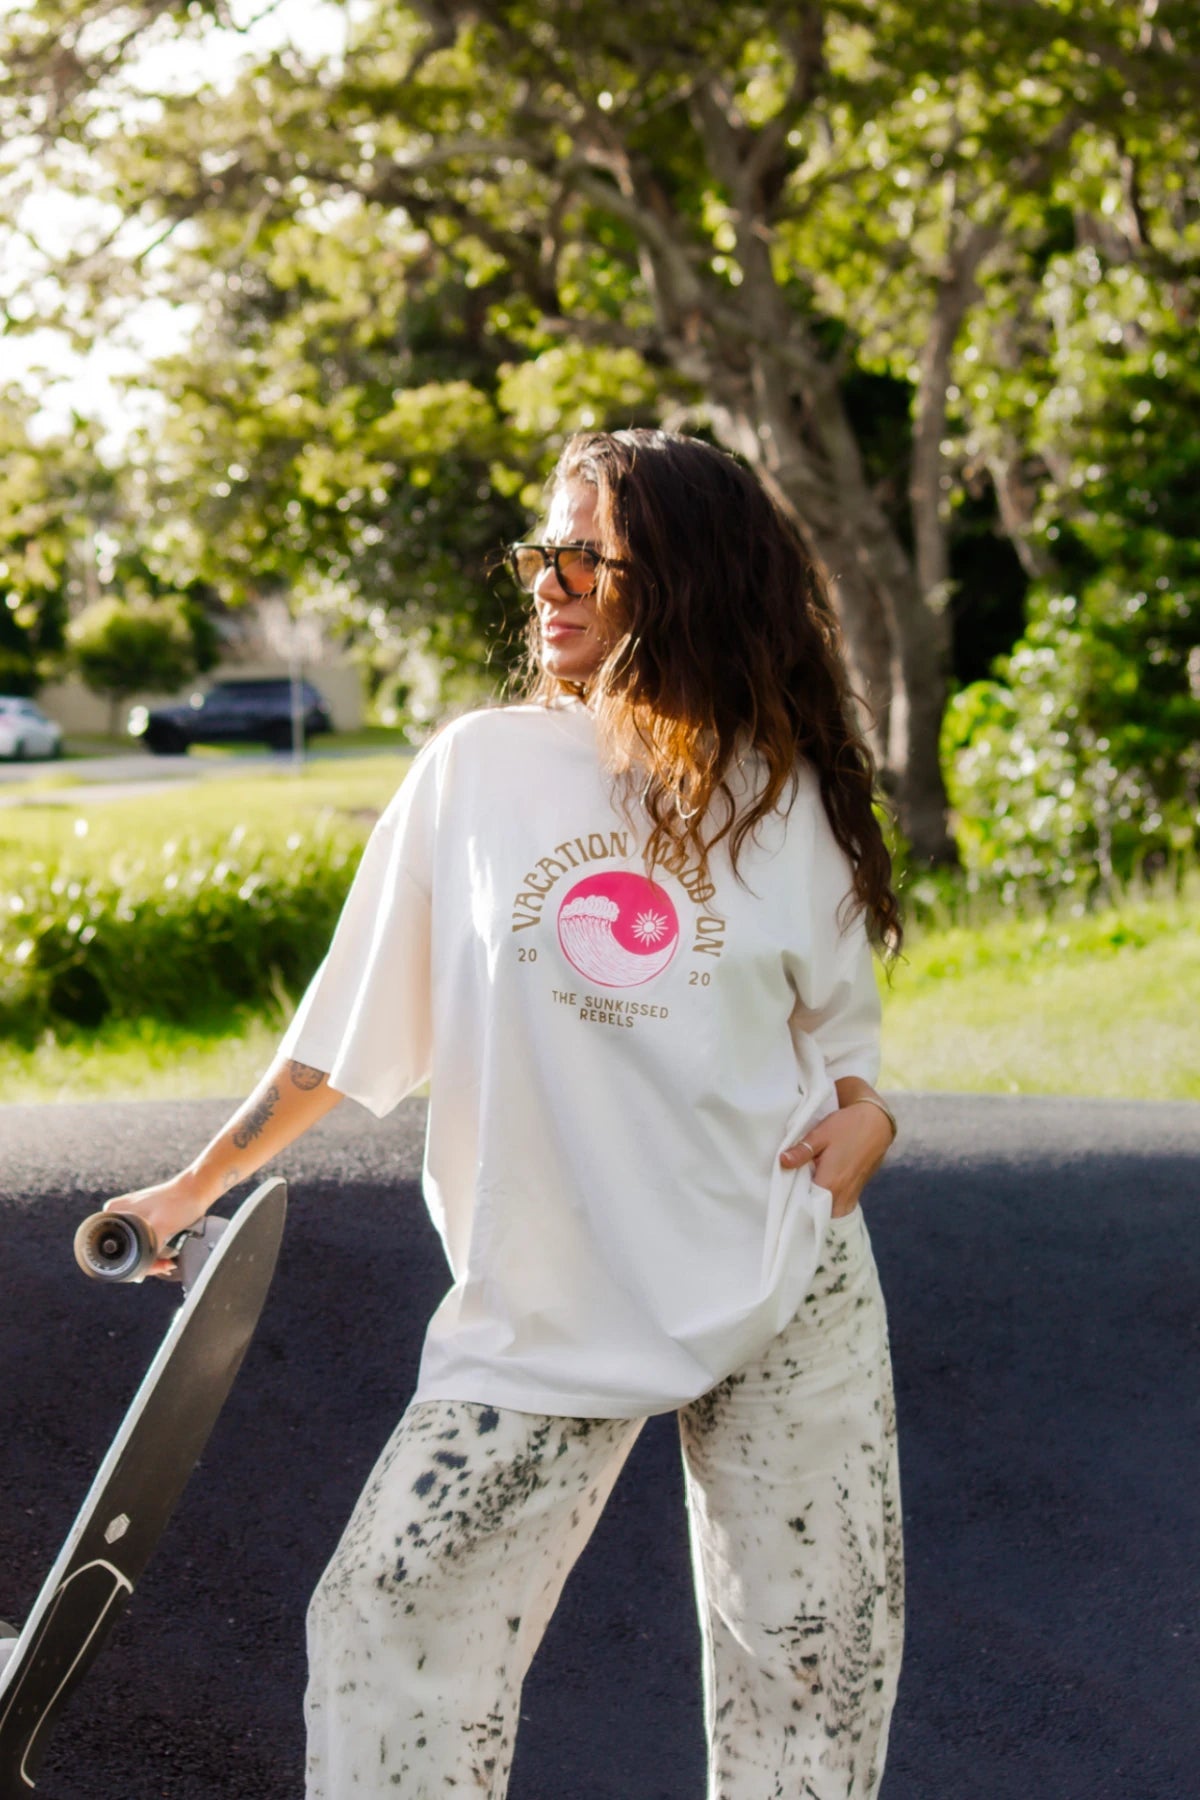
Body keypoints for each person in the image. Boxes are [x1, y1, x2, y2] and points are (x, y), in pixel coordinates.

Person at [106, 429, 905, 1800]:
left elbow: (841, 1057)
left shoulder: (790, 796)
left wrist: (870, 1123)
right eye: (548, 550)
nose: (553, 580)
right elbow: (345, 1031)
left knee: (813, 1664)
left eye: (593, 555)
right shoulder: (480, 774)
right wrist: (190, 1190)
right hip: (552, 1300)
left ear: (692, 583)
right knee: (385, 1623)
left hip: (786, 1274)